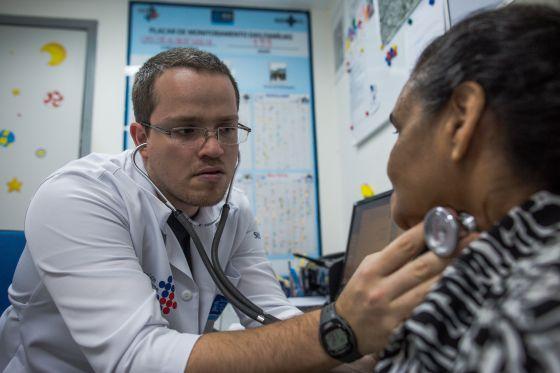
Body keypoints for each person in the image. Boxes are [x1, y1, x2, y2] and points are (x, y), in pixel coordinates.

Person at [0, 48, 469, 372]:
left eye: (226, 128)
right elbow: (134, 358)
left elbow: (269, 314)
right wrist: (338, 329)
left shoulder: (231, 209)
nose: (214, 149)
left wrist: (361, 354)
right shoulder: (80, 197)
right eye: (186, 130)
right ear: (141, 138)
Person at [373, 4, 560, 372]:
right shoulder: (495, 267)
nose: (391, 161)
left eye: (400, 129)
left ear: (460, 121)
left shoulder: (525, 319)